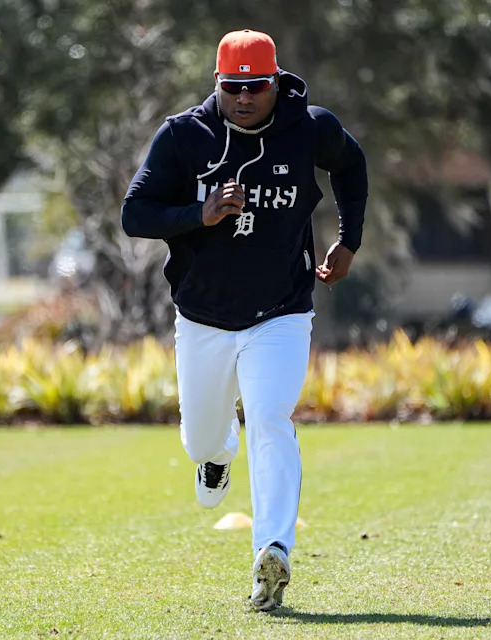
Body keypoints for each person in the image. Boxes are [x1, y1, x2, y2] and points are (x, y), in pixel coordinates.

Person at [121, 29, 367, 611]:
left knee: (270, 416)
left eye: (256, 87)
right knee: (201, 438)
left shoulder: (310, 127)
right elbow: (135, 213)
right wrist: (198, 214)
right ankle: (216, 453)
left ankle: (273, 551)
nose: (244, 98)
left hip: (281, 311)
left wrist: (348, 241)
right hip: (203, 316)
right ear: (218, 84)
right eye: (233, 87)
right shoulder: (183, 136)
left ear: (276, 82)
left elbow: (351, 167)